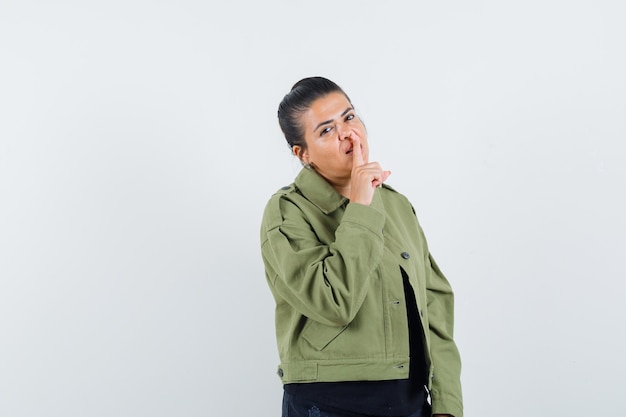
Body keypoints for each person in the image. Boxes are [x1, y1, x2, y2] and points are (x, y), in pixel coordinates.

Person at [260, 77, 463, 417]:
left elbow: (433, 301)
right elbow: (333, 302)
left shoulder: (395, 205)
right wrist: (361, 206)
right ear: (302, 153)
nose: (348, 134)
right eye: (326, 130)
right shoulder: (286, 211)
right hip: (329, 402)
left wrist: (446, 403)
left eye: (349, 117)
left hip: (410, 401)